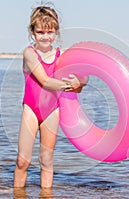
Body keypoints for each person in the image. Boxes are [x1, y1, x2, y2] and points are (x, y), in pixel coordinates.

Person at [13, 4, 87, 188]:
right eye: (40, 32)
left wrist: (80, 84)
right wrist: (72, 85)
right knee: (23, 161)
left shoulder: (62, 56)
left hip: (52, 111)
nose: (45, 37)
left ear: (56, 32)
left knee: (46, 162)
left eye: (50, 32)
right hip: (31, 109)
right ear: (32, 32)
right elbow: (45, 81)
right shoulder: (29, 53)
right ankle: (18, 194)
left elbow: (83, 76)